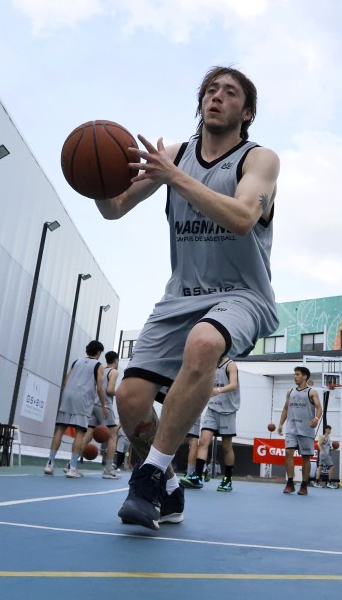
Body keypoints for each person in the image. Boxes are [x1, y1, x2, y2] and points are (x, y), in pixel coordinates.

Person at [97, 67, 280, 531]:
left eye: (230, 92)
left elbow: (241, 216)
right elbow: (115, 208)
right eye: (210, 90)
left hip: (242, 295)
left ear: (247, 111)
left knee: (203, 344)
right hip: (180, 296)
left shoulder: (259, 160)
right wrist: (96, 179)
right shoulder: (175, 156)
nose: (217, 97)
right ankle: (171, 486)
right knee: (131, 400)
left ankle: (149, 477)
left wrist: (173, 176)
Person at [46, 340, 105, 478]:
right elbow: (100, 388)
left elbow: (66, 380)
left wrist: (66, 396)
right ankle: (72, 468)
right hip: (83, 399)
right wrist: (104, 405)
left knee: (60, 429)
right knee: (79, 432)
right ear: (98, 352)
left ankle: (49, 464)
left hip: (68, 395)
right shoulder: (98, 365)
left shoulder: (77, 361)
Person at [196, 356, 240, 492]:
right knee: (203, 441)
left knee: (227, 446)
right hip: (212, 409)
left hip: (227, 411)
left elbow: (234, 384)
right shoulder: (210, 364)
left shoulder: (230, 365)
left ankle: (227, 479)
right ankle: (197, 476)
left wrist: (218, 390)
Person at [279, 366, 322, 495]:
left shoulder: (312, 392)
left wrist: (316, 418)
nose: (295, 376)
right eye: (294, 374)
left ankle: (304, 485)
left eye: (297, 374)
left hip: (306, 430)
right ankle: (290, 483)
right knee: (288, 452)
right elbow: (286, 408)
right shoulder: (290, 391)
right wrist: (280, 424)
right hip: (291, 429)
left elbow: (319, 408)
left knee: (305, 458)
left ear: (305, 376)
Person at [97, 351, 122, 479]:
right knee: (113, 437)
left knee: (87, 434)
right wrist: (120, 394)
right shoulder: (114, 372)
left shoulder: (100, 370)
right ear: (116, 360)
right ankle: (108, 470)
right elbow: (110, 390)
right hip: (106, 405)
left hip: (95, 404)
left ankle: (71, 464)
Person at [316, 424, 338, 488]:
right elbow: (318, 444)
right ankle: (329, 482)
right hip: (325, 455)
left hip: (324, 454)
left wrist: (333, 449)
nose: (330, 430)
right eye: (329, 429)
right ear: (326, 429)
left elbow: (327, 447)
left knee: (320, 467)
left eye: (330, 429)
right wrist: (322, 451)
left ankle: (316, 482)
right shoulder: (323, 437)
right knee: (332, 467)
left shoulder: (328, 437)